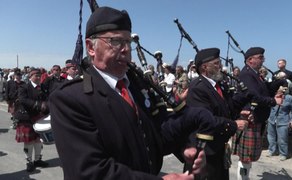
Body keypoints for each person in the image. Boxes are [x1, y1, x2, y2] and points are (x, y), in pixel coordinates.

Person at [49, 6, 212, 180]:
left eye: (128, 42)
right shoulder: (70, 99)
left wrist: (183, 147)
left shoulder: (135, 87)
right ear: (90, 47)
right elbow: (89, 172)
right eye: (116, 41)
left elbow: (154, 134)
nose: (126, 49)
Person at [186, 48, 251, 180]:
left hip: (218, 146)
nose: (220, 66)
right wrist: (234, 125)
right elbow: (207, 120)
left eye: (219, 62)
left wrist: (243, 105)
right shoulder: (198, 88)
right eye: (216, 63)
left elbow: (228, 108)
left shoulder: (218, 85)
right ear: (204, 67)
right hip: (205, 151)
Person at [232, 47, 283, 180]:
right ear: (250, 60)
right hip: (249, 118)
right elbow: (254, 96)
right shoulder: (247, 74)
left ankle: (245, 178)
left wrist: (278, 83)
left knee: (248, 157)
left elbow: (264, 90)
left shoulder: (255, 74)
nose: (263, 60)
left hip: (255, 118)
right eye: (260, 57)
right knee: (245, 157)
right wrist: (273, 101)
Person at [14, 68, 49, 172]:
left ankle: (37, 159)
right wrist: (38, 104)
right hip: (27, 117)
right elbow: (23, 100)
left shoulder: (42, 87)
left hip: (39, 117)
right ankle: (29, 162)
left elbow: (46, 98)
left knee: (38, 140)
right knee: (29, 142)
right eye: (36, 76)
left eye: (39, 76)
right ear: (30, 77)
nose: (38, 78)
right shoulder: (23, 87)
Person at [267, 86, 292, 161]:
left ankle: (283, 153)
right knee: (271, 136)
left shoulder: (290, 98)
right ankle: (271, 150)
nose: (280, 90)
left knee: (282, 138)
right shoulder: (273, 96)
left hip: (283, 120)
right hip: (272, 118)